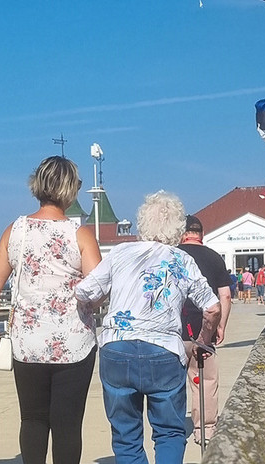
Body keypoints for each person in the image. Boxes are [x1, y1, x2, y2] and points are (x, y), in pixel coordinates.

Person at [75, 191, 221, 464]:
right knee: (168, 432)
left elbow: (85, 292)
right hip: (163, 350)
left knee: (126, 435)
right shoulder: (182, 260)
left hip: (117, 347)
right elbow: (212, 307)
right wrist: (203, 339)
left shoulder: (120, 253)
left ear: (142, 224)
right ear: (178, 229)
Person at [0, 156, 101, 464]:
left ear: (37, 185)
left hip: (28, 343)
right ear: (70, 190)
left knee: (32, 419)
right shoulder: (81, 235)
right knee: (68, 425)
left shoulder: (15, 230)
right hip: (74, 345)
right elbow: (98, 291)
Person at [179, 215, 232, 445]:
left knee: (173, 381)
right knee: (205, 380)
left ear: (181, 233)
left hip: (175, 330)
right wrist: (221, 325)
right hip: (204, 329)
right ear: (202, 234)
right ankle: (205, 429)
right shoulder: (213, 258)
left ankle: (173, 429)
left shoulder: (172, 255)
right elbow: (225, 295)